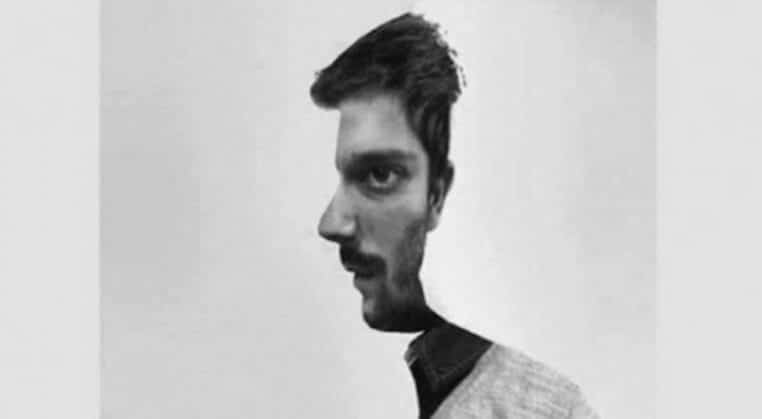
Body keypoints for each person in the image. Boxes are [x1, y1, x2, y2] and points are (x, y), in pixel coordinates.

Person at [312, 12, 599, 419]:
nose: (331, 222)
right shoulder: (462, 380)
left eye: (379, 175)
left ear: (440, 195)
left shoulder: (534, 405)